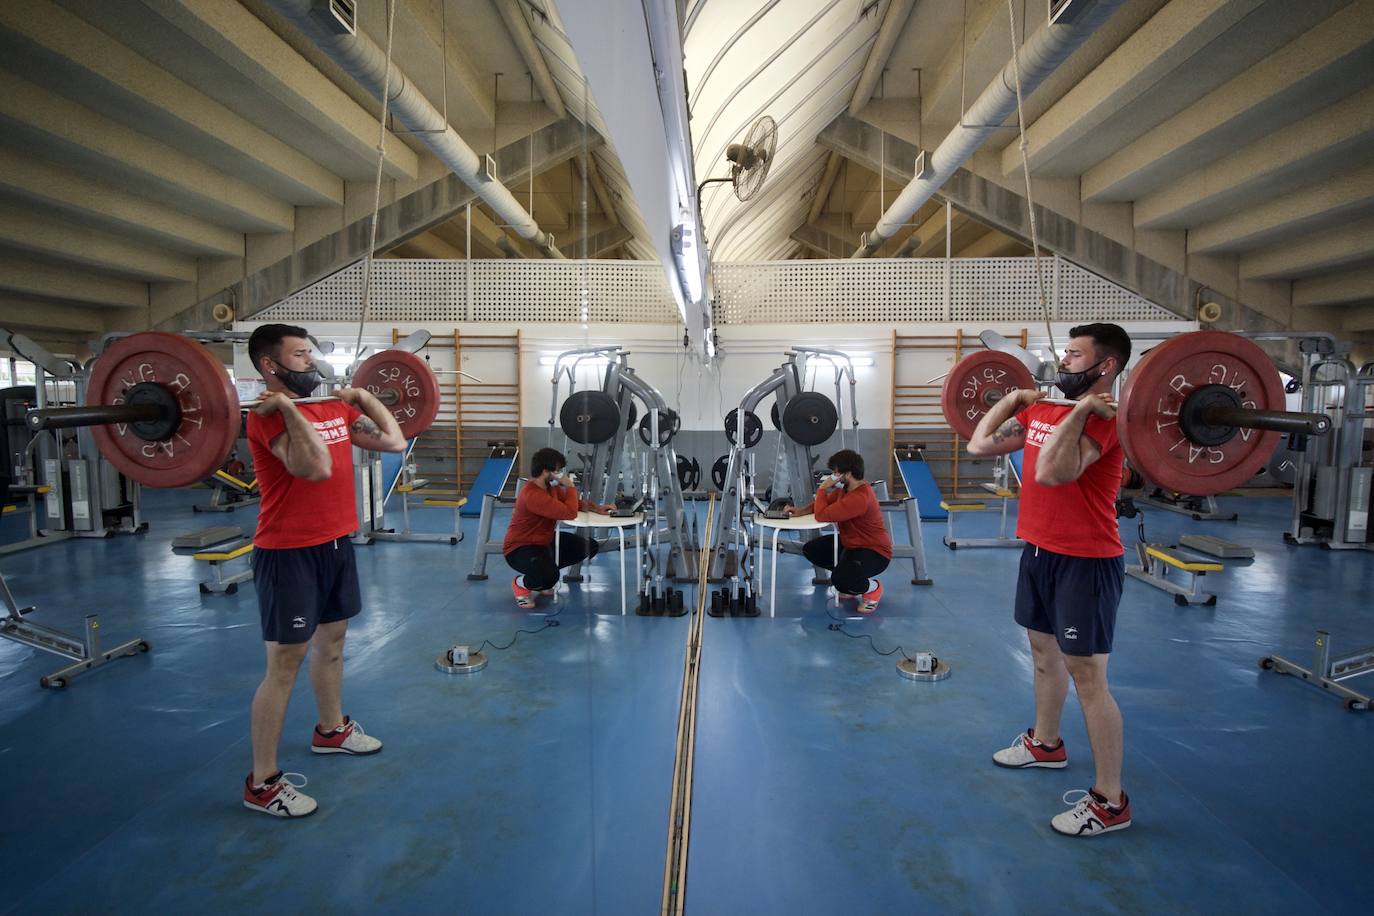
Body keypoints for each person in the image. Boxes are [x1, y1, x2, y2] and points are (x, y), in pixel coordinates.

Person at [966, 322, 1132, 837]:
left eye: (1075, 355)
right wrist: (1014, 398)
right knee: (1042, 655)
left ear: (1105, 366)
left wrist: (1082, 410)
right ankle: (1047, 744)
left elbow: (1052, 473)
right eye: (1064, 353)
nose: (1063, 363)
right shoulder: (1044, 409)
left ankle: (1111, 800)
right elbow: (978, 444)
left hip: (1085, 560)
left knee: (1087, 676)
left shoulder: (1107, 422)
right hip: (1038, 551)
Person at [241, 324, 406, 819]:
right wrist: (289, 409)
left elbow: (395, 440)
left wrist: (361, 397)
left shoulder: (332, 407)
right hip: (289, 551)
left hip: (336, 544)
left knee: (332, 645)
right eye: (299, 354)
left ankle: (330, 731)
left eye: (310, 352)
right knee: (285, 664)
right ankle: (262, 782)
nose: (310, 362)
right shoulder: (267, 419)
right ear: (271, 365)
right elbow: (314, 468)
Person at [503, 447, 613, 608]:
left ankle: (544, 573)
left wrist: (597, 508)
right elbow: (569, 512)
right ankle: (521, 583)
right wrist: (570, 486)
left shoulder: (550, 488)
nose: (561, 474)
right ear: (546, 471)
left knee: (589, 546)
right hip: (520, 548)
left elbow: (575, 504)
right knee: (549, 577)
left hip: (543, 542)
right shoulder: (533, 495)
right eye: (558, 471)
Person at [785, 449, 891, 613]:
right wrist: (800, 511)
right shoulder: (845, 490)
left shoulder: (859, 498)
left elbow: (822, 515)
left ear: (847, 474)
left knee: (840, 580)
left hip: (874, 551)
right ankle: (849, 580)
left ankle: (873, 588)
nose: (832, 477)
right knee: (812, 549)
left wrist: (822, 488)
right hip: (851, 544)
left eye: (835, 473)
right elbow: (823, 503)